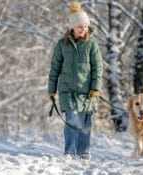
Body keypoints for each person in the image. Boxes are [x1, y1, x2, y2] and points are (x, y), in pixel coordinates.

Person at [47, 1, 103, 160]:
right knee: (71, 120)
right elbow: (54, 69)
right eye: (80, 26)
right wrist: (51, 89)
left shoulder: (92, 44)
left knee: (85, 123)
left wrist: (96, 88)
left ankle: (83, 152)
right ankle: (69, 152)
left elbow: (98, 68)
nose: (83, 29)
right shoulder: (61, 45)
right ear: (72, 27)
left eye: (85, 26)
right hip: (67, 90)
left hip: (87, 91)